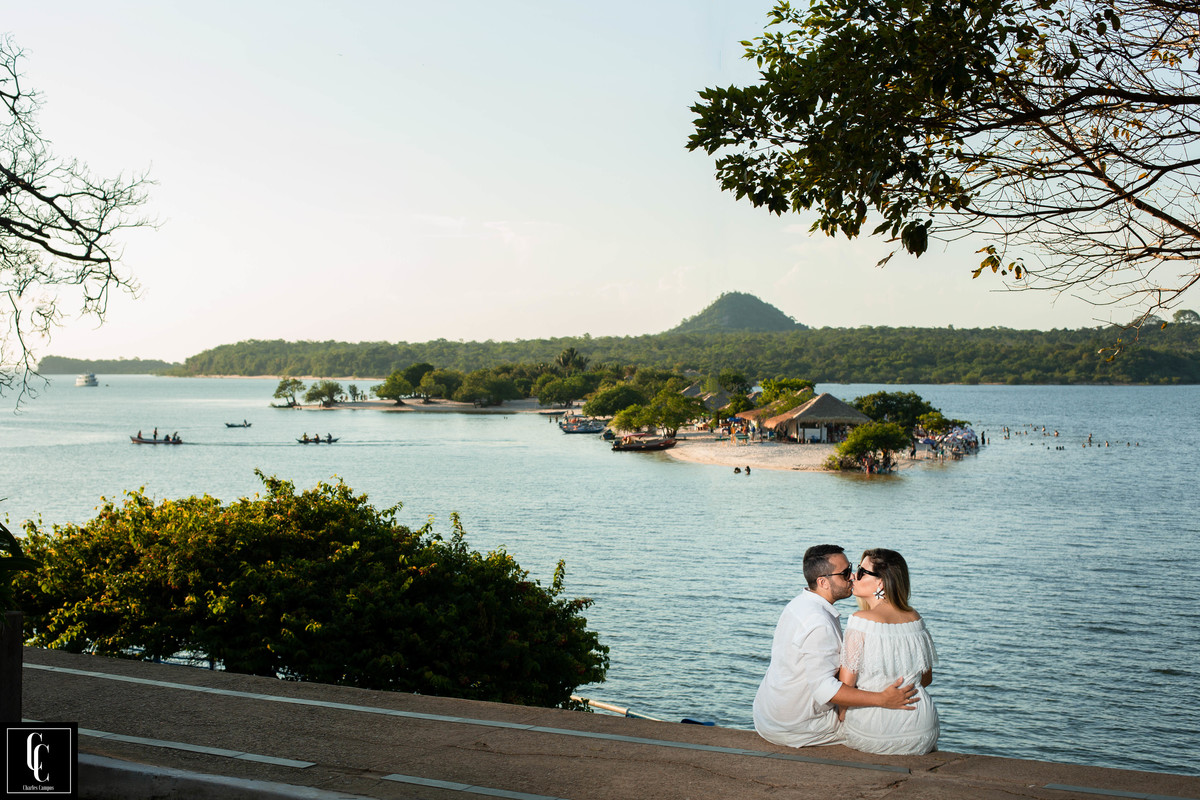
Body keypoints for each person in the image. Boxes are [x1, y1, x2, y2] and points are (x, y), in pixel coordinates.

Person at [753, 544, 917, 748]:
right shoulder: (819, 623)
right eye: (845, 573)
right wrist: (882, 699)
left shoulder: (799, 604)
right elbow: (825, 689)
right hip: (797, 726)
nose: (852, 577)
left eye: (852, 569)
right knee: (883, 726)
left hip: (769, 713)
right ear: (823, 582)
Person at [838, 549, 939, 755]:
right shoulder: (914, 618)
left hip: (878, 728)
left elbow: (846, 686)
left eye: (861, 571)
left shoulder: (860, 621)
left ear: (881, 582)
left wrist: (841, 715)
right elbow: (926, 678)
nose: (853, 576)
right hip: (923, 727)